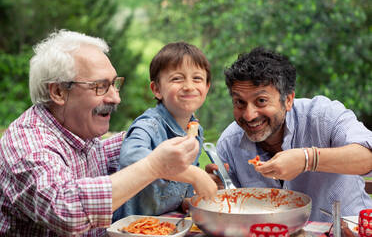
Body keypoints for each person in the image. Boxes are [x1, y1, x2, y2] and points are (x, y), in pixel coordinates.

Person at [0, 30, 216, 236]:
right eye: (100, 86)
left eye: (114, 84)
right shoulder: (27, 143)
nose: (116, 98)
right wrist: (155, 165)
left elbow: (125, 149)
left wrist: (191, 176)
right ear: (58, 92)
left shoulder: (82, 134)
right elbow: (67, 210)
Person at [207, 47, 372, 222]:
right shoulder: (228, 143)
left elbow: (367, 156)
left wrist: (307, 159)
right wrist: (218, 191)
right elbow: (232, 212)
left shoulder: (324, 116)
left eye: (261, 101)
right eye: (240, 102)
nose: (249, 115)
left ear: (288, 100)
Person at [113, 41, 217, 220]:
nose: (189, 86)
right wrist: (195, 175)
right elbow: (131, 159)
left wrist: (189, 199)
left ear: (207, 87)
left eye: (197, 78)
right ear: (157, 89)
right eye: (177, 78)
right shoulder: (149, 125)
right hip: (133, 228)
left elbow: (180, 185)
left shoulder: (195, 130)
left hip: (170, 224)